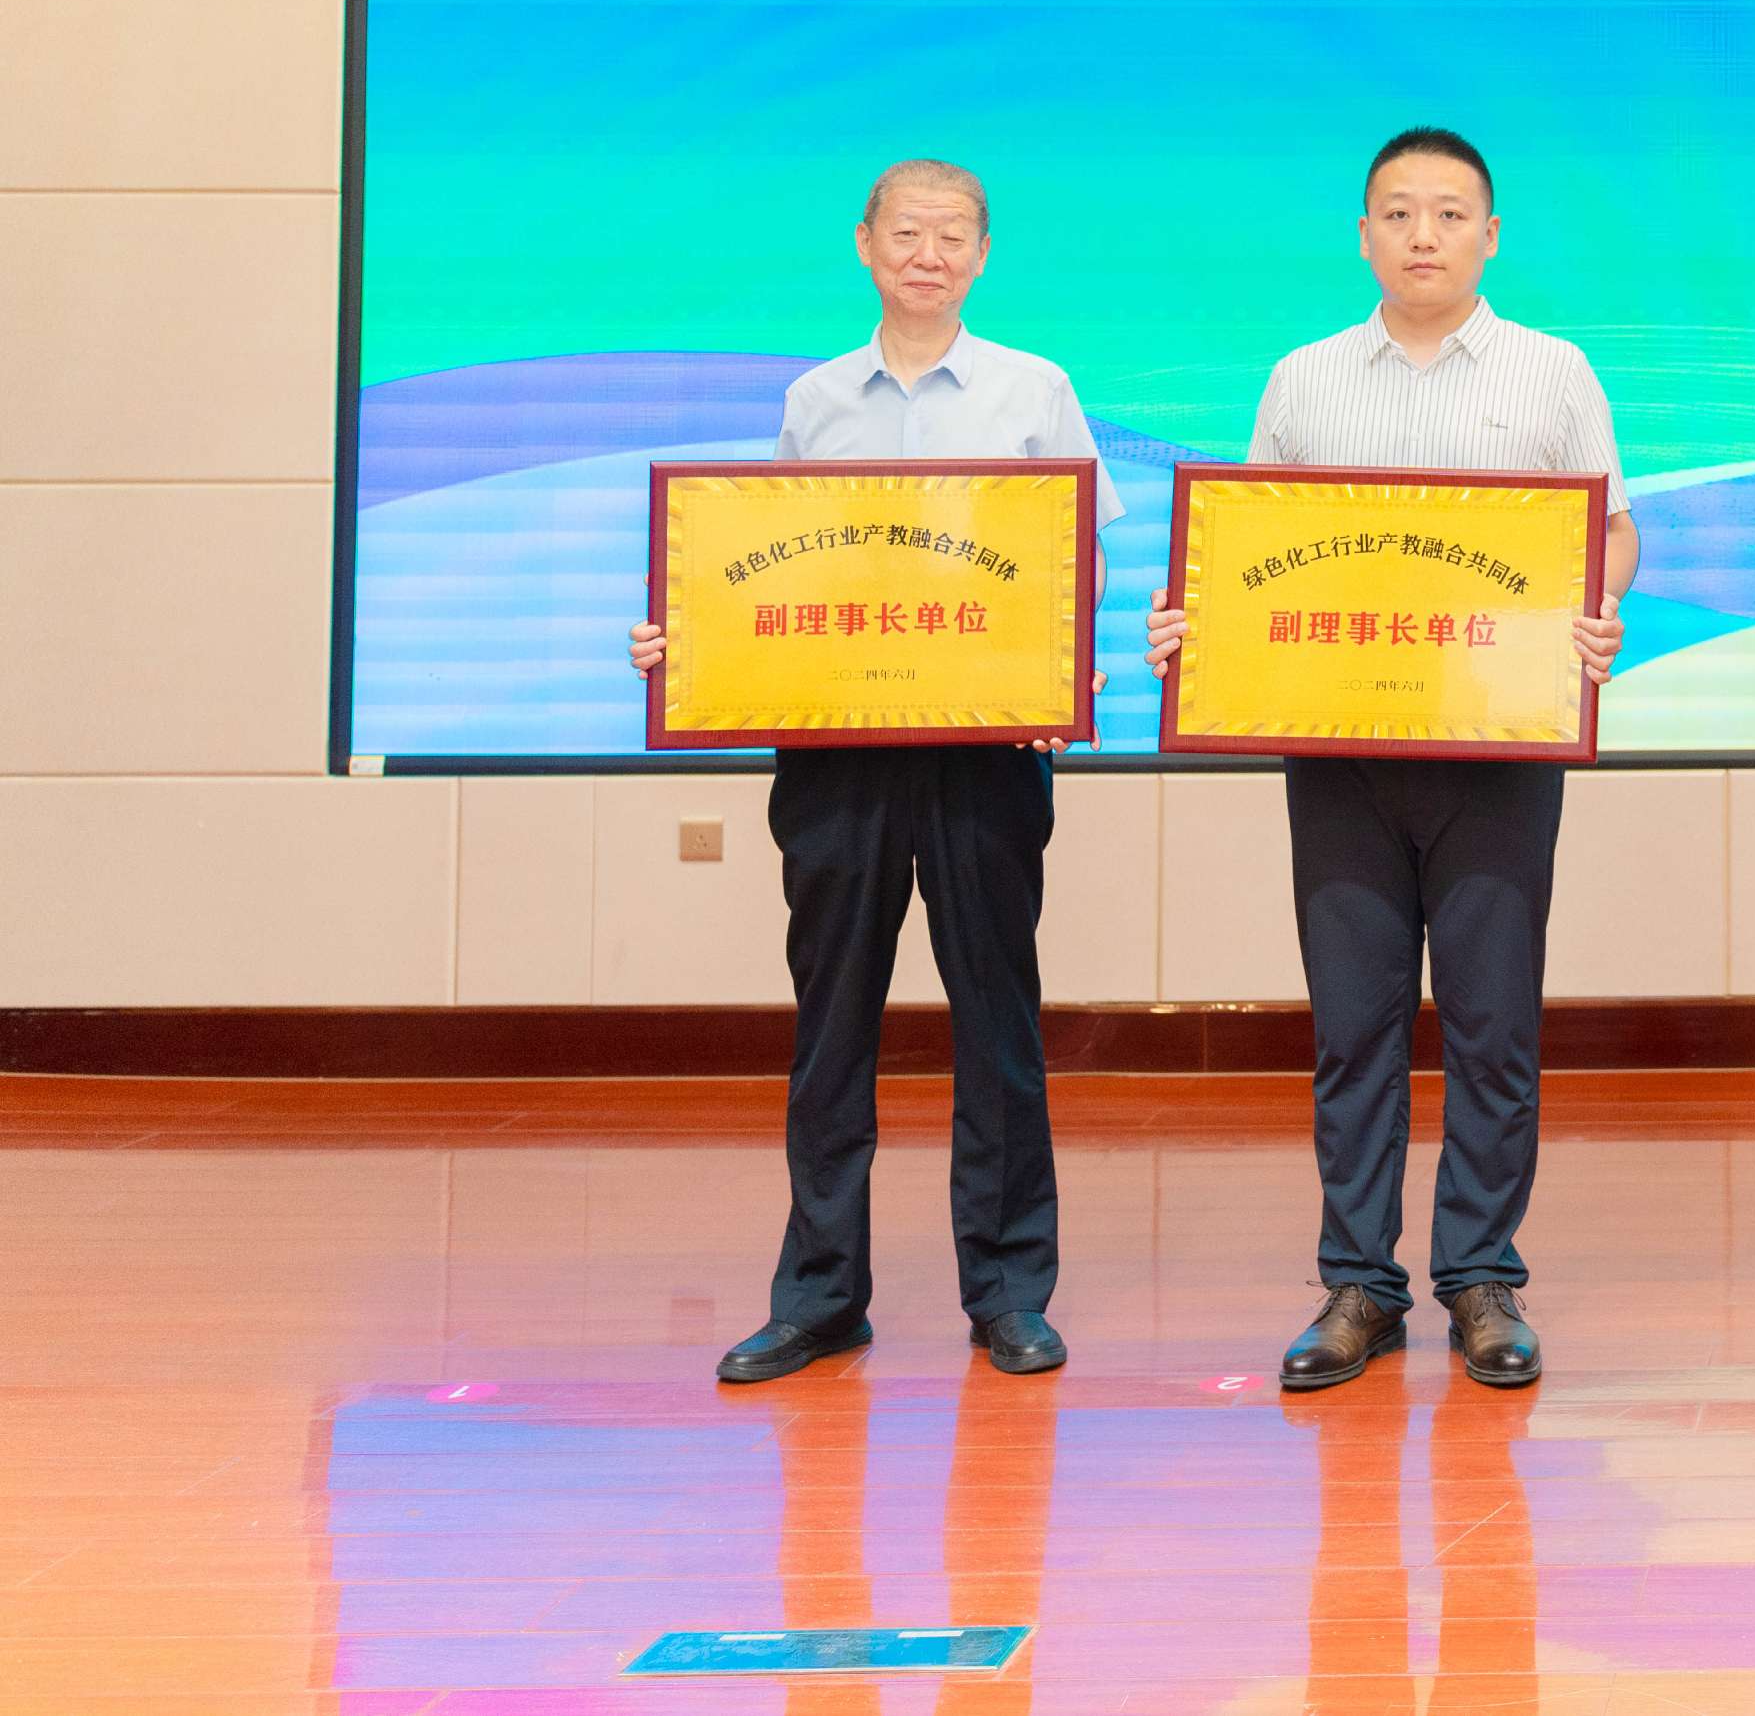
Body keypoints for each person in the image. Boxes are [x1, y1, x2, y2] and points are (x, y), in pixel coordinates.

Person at [1146, 126, 1635, 1392]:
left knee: (1491, 1023)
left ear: (1490, 235)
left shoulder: (1552, 370)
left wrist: (1596, 606)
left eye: (1450, 212)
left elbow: (1609, 528)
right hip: (1341, 751)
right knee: (1354, 1025)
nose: (1425, 234)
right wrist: (1193, 624)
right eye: (1399, 212)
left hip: (1499, 746)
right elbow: (1246, 550)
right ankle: (1357, 1282)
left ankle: (1480, 1277)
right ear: (1363, 234)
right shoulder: (1304, 377)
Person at [626, 159, 1116, 1387]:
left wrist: (1064, 666)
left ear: (983, 254)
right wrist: (688, 641)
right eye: (907, 231)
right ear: (865, 243)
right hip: (837, 751)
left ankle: (1008, 1291)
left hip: (986, 749)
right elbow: (765, 571)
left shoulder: (1034, 389)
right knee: (831, 1022)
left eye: (952, 235)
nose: (927, 253)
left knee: (996, 1018)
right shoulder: (815, 399)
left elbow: (1076, 551)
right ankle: (819, 1294)